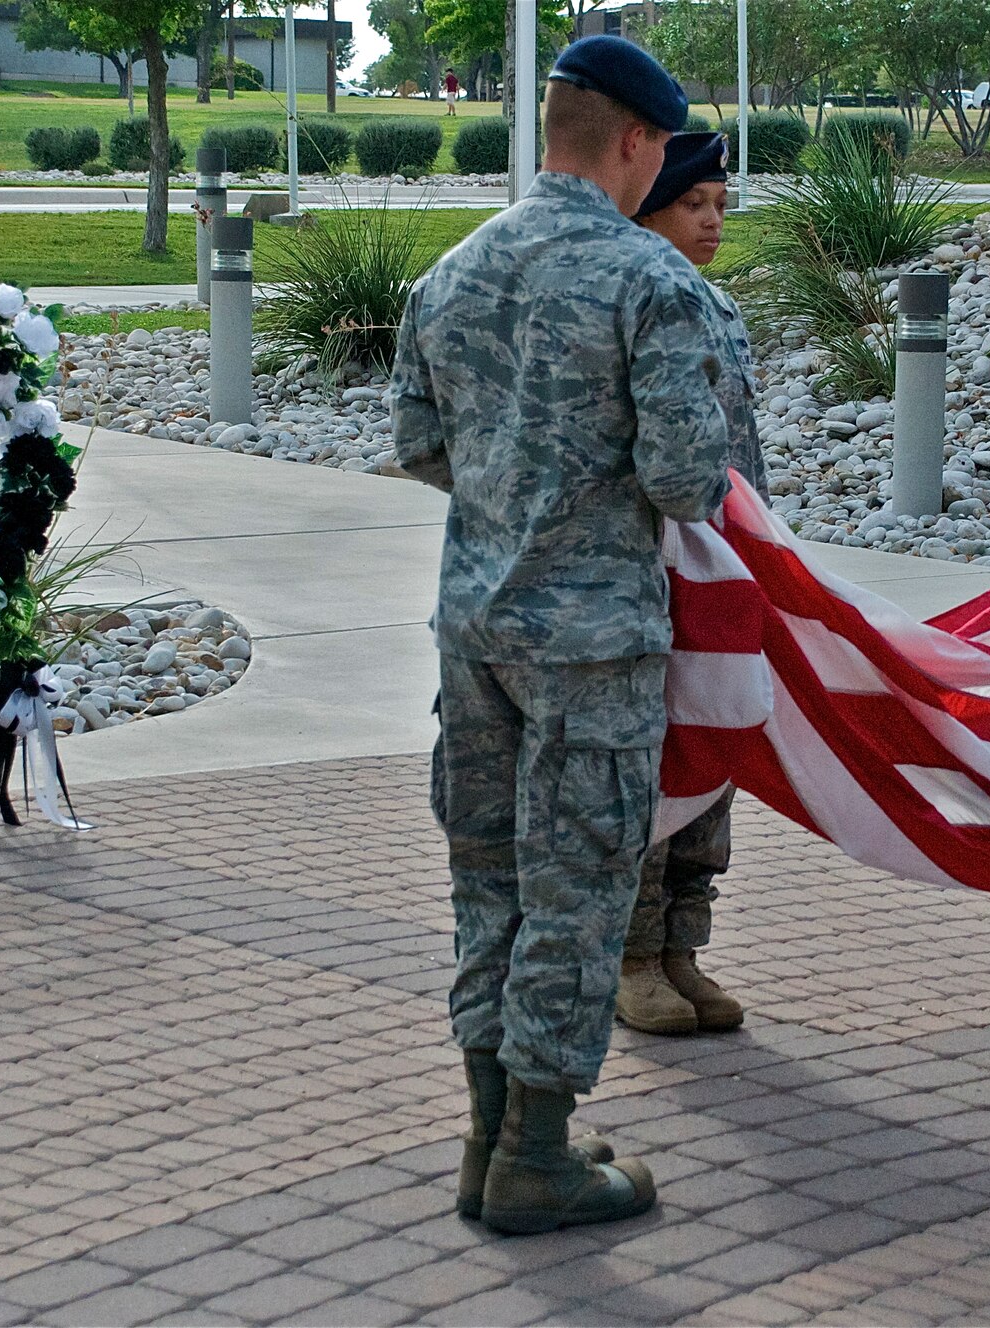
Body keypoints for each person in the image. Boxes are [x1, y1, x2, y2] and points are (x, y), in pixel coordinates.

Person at [390, 34, 734, 1236]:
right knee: (578, 894)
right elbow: (692, 477)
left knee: (486, 884)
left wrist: (516, 491)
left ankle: (488, 1137)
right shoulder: (652, 284)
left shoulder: (447, 277)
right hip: (591, 646)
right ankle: (537, 1155)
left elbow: (420, 445)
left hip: (474, 632)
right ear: (637, 141)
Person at [615, 132, 767, 1037]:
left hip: (721, 562)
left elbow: (743, 455)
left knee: (714, 749)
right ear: (646, 208)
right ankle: (631, 958)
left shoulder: (719, 308)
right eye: (693, 204)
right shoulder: (627, 303)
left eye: (720, 203)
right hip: (648, 564)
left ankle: (684, 948)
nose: (712, 220)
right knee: (649, 762)